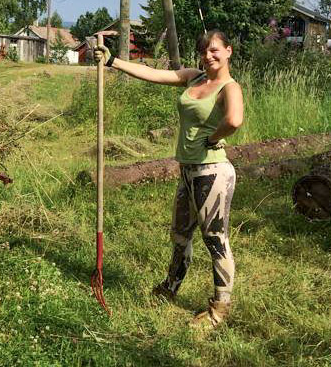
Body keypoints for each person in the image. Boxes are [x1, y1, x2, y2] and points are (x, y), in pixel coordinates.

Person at [97, 30, 244, 329]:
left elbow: (234, 119)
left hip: (212, 171)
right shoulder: (194, 78)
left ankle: (219, 310)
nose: (208, 56)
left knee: (215, 239)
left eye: (214, 50)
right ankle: (171, 286)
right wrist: (113, 61)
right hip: (188, 171)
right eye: (203, 51)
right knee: (180, 235)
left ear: (228, 51)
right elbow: (153, 74)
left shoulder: (230, 87)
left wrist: (214, 139)